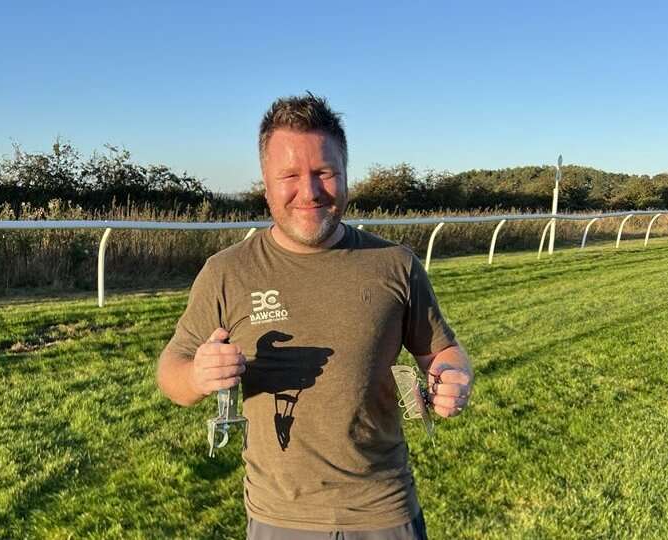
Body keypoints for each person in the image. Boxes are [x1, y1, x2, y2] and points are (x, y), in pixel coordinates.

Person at [156, 94, 473, 540]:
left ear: (344, 177)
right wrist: (197, 376)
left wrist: (453, 378)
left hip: (383, 511)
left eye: (324, 173)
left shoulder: (395, 264)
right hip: (279, 517)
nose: (309, 192)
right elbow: (171, 373)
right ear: (266, 184)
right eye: (289, 175)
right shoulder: (227, 272)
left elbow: (440, 350)